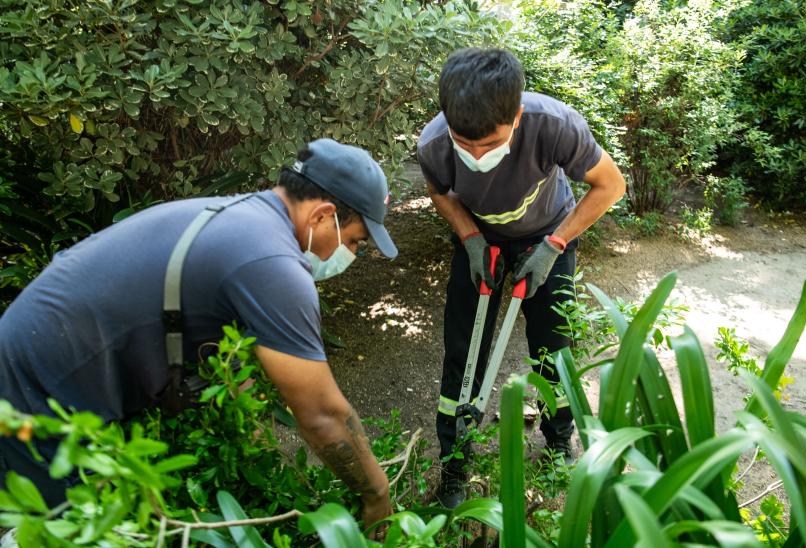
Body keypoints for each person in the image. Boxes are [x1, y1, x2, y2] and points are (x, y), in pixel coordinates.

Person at [0, 139, 397, 529]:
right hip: (34, 395)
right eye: (355, 241)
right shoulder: (275, 265)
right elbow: (323, 415)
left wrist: (255, 444)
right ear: (322, 216)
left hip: (34, 359)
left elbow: (218, 339)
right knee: (60, 529)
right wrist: (377, 496)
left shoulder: (244, 217)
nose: (352, 255)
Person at [417, 48, 626, 508]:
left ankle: (557, 444)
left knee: (554, 348)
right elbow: (439, 192)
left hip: (549, 233)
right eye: (463, 144)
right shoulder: (434, 143)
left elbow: (611, 185)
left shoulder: (555, 125)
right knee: (463, 349)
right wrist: (470, 237)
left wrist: (553, 246)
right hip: (481, 239)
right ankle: (455, 460)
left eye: (488, 145)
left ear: (516, 115)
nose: (474, 156)